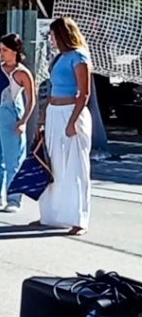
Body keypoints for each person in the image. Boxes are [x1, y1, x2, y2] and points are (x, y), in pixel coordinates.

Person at [38, 17, 92, 235]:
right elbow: (51, 89)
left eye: (53, 34)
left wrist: (72, 121)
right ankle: (53, 214)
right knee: (55, 165)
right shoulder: (60, 57)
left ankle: (79, 218)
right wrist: (42, 117)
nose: (51, 39)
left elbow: (84, 92)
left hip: (71, 112)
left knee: (75, 165)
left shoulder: (79, 56)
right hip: (54, 111)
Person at [0, 33, 37, 213]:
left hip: (11, 113)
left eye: (5, 50)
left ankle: (14, 198)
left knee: (13, 158)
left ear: (15, 51)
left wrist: (23, 121)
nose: (1, 53)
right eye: (0, 49)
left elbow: (31, 100)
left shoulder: (22, 72)